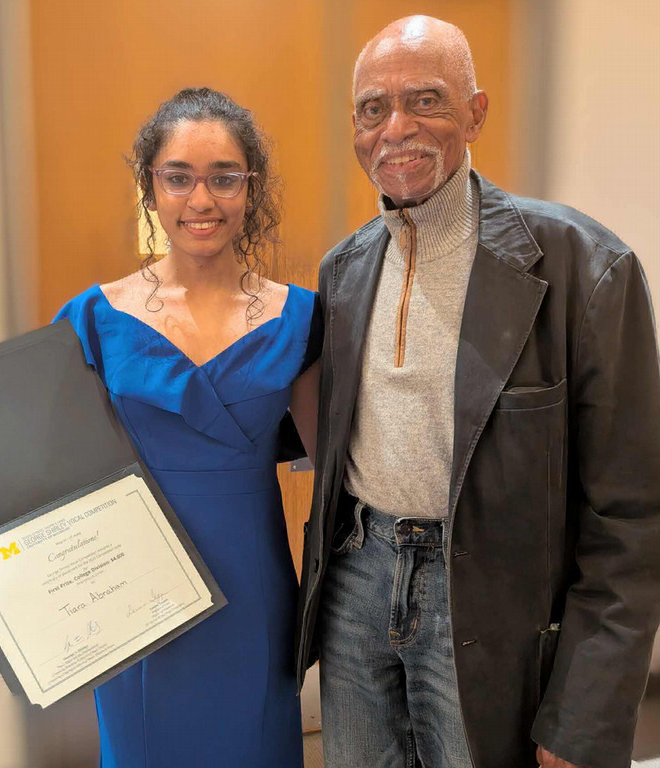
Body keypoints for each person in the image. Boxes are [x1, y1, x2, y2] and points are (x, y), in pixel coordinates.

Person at [0, 87, 322, 768]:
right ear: (149, 187)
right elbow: (33, 472)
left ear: (251, 189)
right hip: (131, 602)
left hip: (254, 604)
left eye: (224, 177)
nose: (202, 200)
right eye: (178, 177)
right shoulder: (92, 319)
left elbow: (338, 475)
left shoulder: (303, 318)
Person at [296, 15, 660, 768]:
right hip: (357, 586)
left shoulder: (585, 268)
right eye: (373, 109)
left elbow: (632, 518)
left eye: (425, 100)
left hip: (494, 604)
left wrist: (582, 717)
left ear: (476, 112)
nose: (395, 128)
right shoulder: (343, 272)